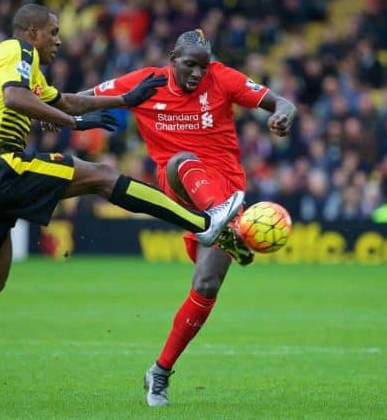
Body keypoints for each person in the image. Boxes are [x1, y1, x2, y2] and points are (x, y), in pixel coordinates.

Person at [0, 4, 244, 408]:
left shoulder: (29, 71)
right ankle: (204, 221)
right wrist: (75, 126)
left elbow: (68, 102)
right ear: (31, 31)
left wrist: (123, 99)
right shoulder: (16, 50)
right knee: (102, 176)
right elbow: (15, 99)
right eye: (53, 32)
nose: (59, 39)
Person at [86, 29, 296, 406]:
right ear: (172, 59)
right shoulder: (146, 82)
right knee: (182, 161)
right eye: (190, 65)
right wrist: (54, 115)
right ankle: (219, 219)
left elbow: (283, 102)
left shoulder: (224, 78)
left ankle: (160, 372)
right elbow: (88, 97)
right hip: (183, 191)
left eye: (204, 66)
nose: (199, 73)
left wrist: (282, 116)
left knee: (207, 284)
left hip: (228, 194)